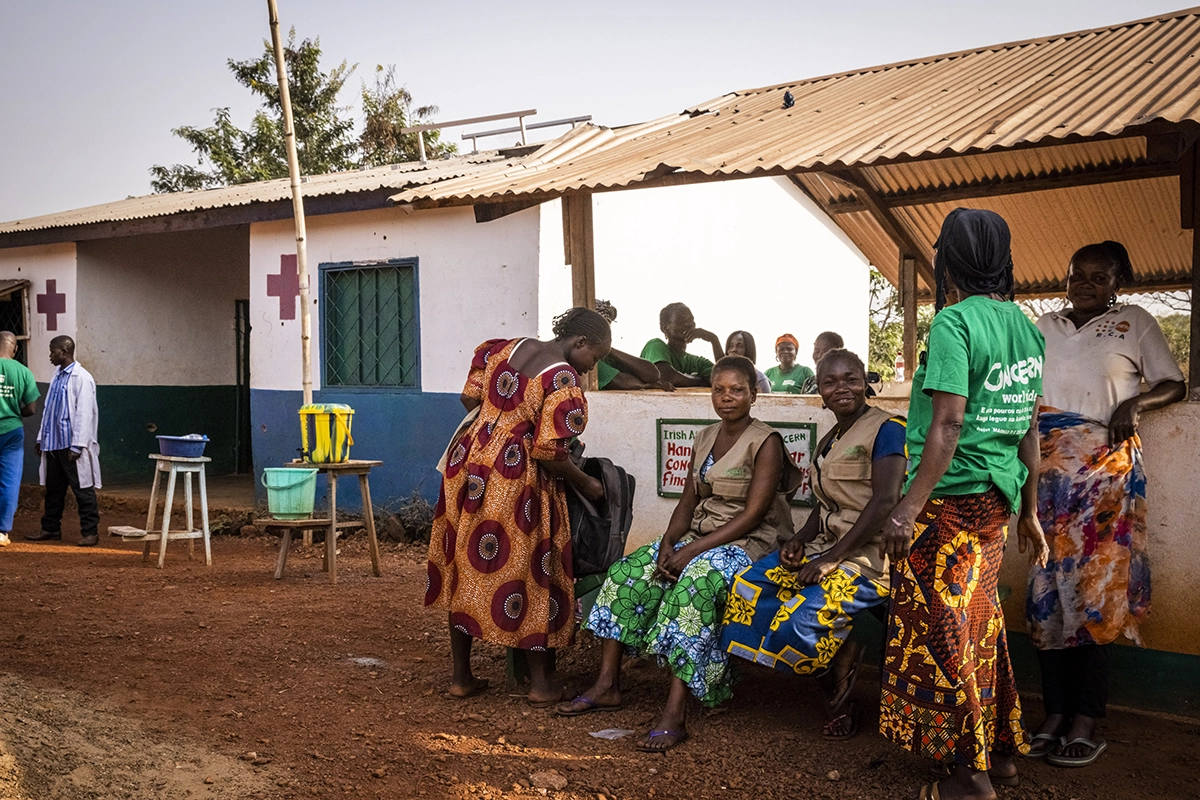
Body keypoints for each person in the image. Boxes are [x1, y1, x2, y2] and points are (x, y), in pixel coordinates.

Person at [877, 209, 1049, 800]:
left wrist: (905, 510)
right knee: (980, 622)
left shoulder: (954, 323)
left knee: (942, 631)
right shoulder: (1025, 328)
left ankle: (969, 776)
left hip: (947, 503)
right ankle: (999, 755)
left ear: (948, 258)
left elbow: (947, 426)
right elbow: (1028, 430)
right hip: (996, 503)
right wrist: (1029, 508)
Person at [557, 356, 801, 751]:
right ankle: (608, 684)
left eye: (737, 390)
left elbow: (754, 515)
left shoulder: (766, 441)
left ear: (754, 395)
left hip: (746, 543)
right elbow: (688, 502)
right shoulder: (704, 436)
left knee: (695, 585)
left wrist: (691, 552)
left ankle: (676, 710)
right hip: (697, 537)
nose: (727, 398)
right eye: (719, 390)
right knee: (629, 573)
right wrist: (669, 542)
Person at [1025, 241, 1185, 768]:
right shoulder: (1042, 325)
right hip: (1046, 478)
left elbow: (1174, 383)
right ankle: (1054, 713)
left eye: (1099, 276)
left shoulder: (1134, 322)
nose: (1085, 283)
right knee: (1047, 592)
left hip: (1103, 480)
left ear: (1119, 282)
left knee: (1096, 593)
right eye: (1078, 274)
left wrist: (1133, 402)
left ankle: (1086, 718)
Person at [424, 308, 611, 707]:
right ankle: (541, 683)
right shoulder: (563, 379)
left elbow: (468, 397)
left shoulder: (502, 348)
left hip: (467, 462)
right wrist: (588, 484)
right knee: (533, 567)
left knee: (461, 559)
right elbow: (549, 453)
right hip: (516, 477)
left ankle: (461, 677)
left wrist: (496, 426)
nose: (591, 368)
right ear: (579, 343)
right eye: (594, 358)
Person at [722, 348, 905, 739]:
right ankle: (838, 657)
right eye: (830, 382)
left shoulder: (888, 429)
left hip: (870, 559)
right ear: (819, 392)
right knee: (748, 588)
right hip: (827, 548)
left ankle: (839, 685)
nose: (842, 388)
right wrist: (800, 541)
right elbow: (824, 508)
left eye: (851, 379)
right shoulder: (829, 440)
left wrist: (832, 559)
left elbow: (885, 500)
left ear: (866, 383)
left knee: (796, 622)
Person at [27, 336, 101, 547]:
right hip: (53, 444)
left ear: (64, 351)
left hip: (71, 446)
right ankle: (50, 528)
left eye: (53, 352)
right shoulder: (57, 376)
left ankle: (90, 532)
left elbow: (84, 413)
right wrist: (42, 438)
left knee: (82, 489)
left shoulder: (81, 378)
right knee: (53, 489)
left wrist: (78, 445)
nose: (50, 356)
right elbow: (49, 410)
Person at [0, 332, 39, 547]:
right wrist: (14, 411)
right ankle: (2, 532)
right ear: (14, 348)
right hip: (12, 431)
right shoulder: (23, 372)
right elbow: (32, 409)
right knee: (9, 481)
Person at [593, 300, 674, 391]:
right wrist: (647, 385)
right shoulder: (592, 360)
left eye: (606, 330)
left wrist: (610, 350)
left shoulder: (607, 356)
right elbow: (623, 382)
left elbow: (653, 374)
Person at [640, 303, 723, 387]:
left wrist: (714, 339)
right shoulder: (655, 345)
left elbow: (724, 379)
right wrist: (702, 381)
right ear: (664, 327)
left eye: (691, 320)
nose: (688, 324)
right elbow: (668, 377)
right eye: (681, 320)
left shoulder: (698, 362)